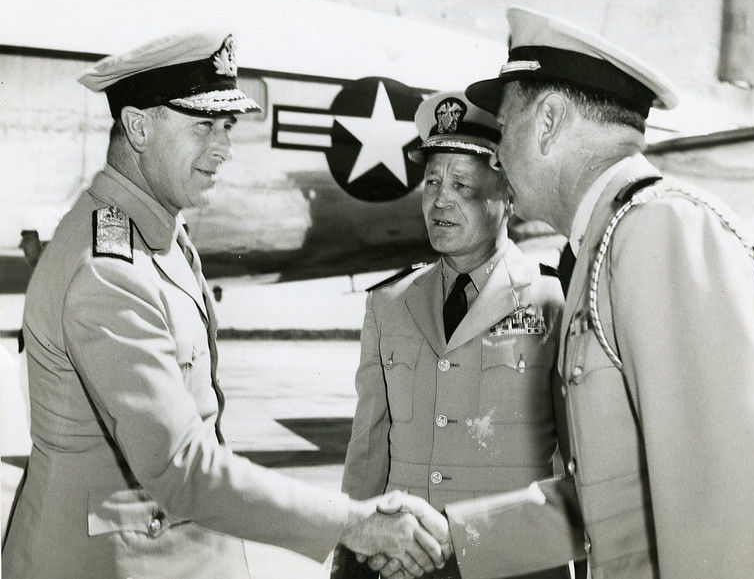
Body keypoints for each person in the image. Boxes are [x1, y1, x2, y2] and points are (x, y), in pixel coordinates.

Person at [1, 30, 450, 579]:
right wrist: (352, 522)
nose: (223, 148)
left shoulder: (156, 234)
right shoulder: (110, 271)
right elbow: (182, 468)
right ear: (139, 126)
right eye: (202, 126)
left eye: (227, 126)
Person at [436, 8, 754, 579]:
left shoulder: (662, 233)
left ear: (549, 121)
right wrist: (449, 539)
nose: (496, 157)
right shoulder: (607, 243)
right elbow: (616, 505)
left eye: (503, 130)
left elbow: (728, 529)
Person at [334, 91, 572, 579]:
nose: (440, 199)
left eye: (462, 183)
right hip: (404, 567)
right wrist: (350, 556)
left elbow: (581, 466)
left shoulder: (552, 300)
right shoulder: (389, 304)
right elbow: (368, 449)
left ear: (508, 196)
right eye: (432, 182)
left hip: (512, 566)